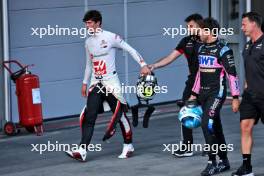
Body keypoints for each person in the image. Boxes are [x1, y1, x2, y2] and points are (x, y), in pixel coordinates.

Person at [65, 10, 151, 162]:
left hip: (111, 83)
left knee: (119, 115)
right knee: (88, 116)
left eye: (90, 22)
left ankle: (128, 145)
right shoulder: (88, 42)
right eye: (86, 23)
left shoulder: (111, 37)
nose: (87, 26)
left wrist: (143, 64)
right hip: (95, 84)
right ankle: (82, 150)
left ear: (98, 23)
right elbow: (88, 65)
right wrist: (84, 83)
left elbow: (130, 49)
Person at [189, 18, 240, 176]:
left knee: (206, 124)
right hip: (203, 94)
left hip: (216, 94)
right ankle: (224, 161)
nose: (199, 32)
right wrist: (193, 93)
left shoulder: (223, 50)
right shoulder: (201, 49)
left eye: (203, 30)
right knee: (215, 127)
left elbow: (232, 75)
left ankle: (212, 162)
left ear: (210, 32)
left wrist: (236, 97)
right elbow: (199, 73)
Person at [148, 13, 203, 157]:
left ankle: (213, 146)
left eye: (191, 26)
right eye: (187, 26)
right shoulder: (185, 42)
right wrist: (154, 65)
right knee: (186, 112)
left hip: (209, 81)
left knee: (210, 114)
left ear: (200, 25)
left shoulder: (208, 39)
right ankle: (187, 147)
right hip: (192, 82)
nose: (188, 29)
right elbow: (170, 58)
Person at [232, 12, 264, 176]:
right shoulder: (246, 45)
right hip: (250, 95)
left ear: (254, 24)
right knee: (245, 127)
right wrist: (243, 89)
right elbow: (249, 70)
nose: (242, 27)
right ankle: (246, 168)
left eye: (244, 24)